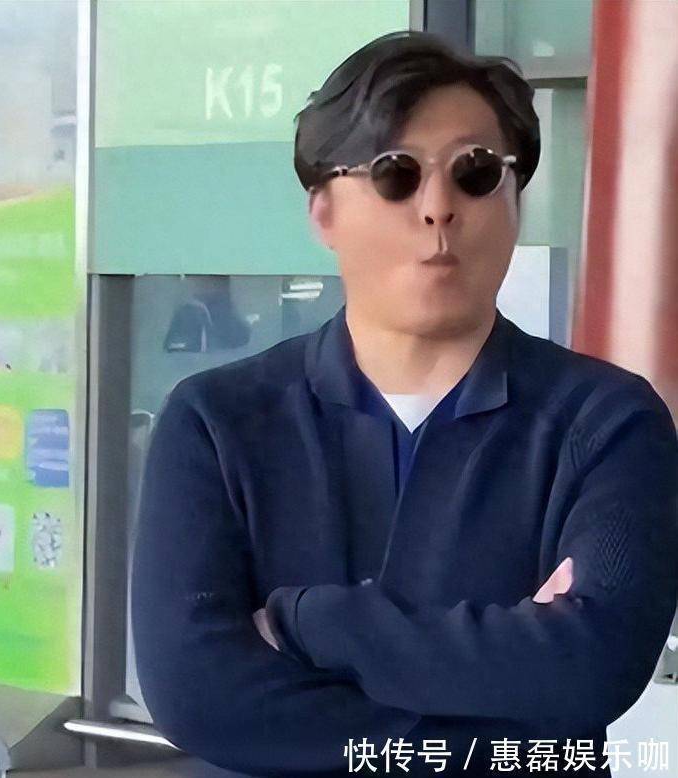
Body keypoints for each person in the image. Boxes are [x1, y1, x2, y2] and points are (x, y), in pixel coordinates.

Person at [131, 31, 678, 777]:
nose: (439, 208)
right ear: (323, 212)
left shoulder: (607, 422)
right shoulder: (216, 422)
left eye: (475, 173)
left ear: (515, 201)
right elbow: (199, 699)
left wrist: (308, 621)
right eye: (396, 174)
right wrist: (502, 723)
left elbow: (590, 671)